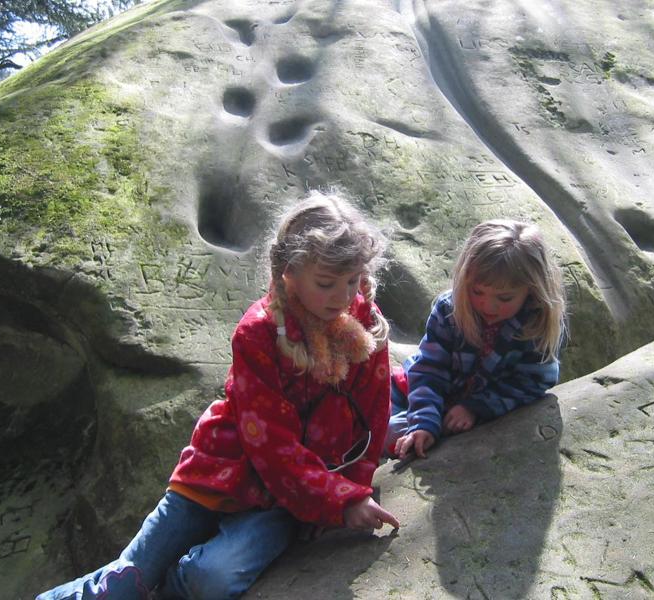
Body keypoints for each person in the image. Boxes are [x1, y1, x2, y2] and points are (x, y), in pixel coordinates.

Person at [38, 191, 399, 600]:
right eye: (326, 283)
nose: (342, 296)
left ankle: (168, 585)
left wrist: (349, 492)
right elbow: (272, 445)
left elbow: (374, 410)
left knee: (211, 580)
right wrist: (339, 498)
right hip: (219, 471)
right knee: (125, 581)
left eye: (352, 281)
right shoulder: (259, 332)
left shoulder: (364, 322)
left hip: (282, 498)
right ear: (288, 273)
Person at [388, 220, 566, 460]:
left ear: (532, 289)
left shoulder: (534, 325)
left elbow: (532, 381)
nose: (488, 305)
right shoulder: (449, 310)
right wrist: (423, 421)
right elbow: (429, 369)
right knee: (366, 418)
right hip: (421, 394)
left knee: (387, 434)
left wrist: (476, 407)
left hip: (473, 411)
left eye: (504, 298)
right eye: (477, 291)